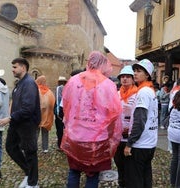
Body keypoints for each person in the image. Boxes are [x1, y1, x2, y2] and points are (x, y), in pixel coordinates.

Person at [60, 51, 122, 188]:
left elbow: (66, 105)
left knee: (74, 171)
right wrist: (111, 136)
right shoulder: (108, 84)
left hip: (75, 136)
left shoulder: (73, 80)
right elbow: (114, 114)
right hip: (97, 139)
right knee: (93, 174)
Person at [0, 57, 41, 188]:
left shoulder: (29, 83)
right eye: (12, 67)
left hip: (26, 125)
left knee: (30, 152)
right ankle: (29, 173)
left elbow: (28, 108)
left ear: (23, 67)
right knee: (10, 147)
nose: (12, 70)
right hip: (17, 123)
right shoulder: (20, 83)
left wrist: (9, 118)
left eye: (15, 67)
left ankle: (33, 183)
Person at [124, 59, 158, 188]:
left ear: (147, 74)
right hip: (150, 143)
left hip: (140, 145)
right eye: (135, 71)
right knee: (146, 177)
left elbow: (140, 121)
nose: (135, 74)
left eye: (139, 71)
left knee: (135, 180)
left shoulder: (143, 92)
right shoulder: (149, 90)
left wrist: (130, 143)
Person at [114, 65, 137, 188]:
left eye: (128, 76)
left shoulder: (137, 94)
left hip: (130, 138)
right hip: (118, 136)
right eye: (122, 76)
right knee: (119, 163)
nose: (124, 79)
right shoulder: (116, 94)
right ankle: (121, 183)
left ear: (133, 79)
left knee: (130, 165)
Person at [35, 75, 55, 153]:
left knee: (36, 131)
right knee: (45, 132)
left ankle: (34, 146)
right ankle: (45, 148)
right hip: (47, 116)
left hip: (37, 115)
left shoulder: (36, 90)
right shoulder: (49, 91)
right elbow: (52, 103)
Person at [54, 76, 67, 150]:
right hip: (66, 111)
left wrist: (58, 112)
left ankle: (60, 145)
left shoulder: (59, 88)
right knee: (65, 128)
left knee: (59, 129)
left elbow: (58, 100)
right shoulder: (67, 88)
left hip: (60, 111)